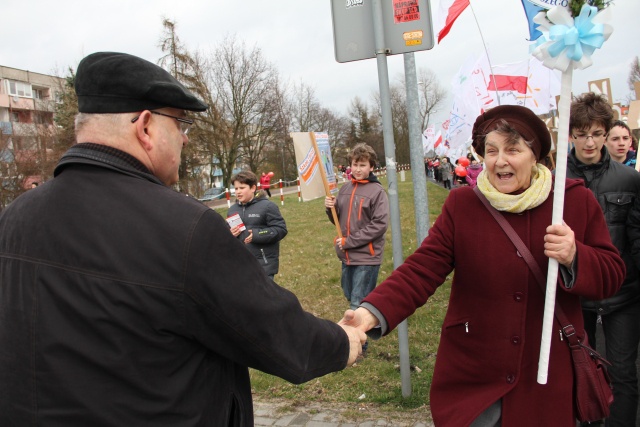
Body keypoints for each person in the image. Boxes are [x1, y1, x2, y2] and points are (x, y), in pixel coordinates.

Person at [0, 51, 365, 427]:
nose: (185, 140)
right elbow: (274, 332)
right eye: (180, 124)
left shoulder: (14, 217)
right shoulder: (186, 228)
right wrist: (344, 341)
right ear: (145, 127)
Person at [340, 105, 625, 426]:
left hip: (545, 381)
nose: (499, 160)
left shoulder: (572, 202)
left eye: (512, 150)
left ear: (535, 156)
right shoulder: (464, 206)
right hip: (475, 381)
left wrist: (575, 256)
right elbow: (420, 270)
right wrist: (370, 313)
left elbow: (612, 275)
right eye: (491, 151)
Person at [566, 93, 640, 427]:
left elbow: (636, 239)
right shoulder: (554, 181)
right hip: (575, 294)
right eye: (582, 133)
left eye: (596, 133)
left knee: (623, 372)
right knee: (580, 372)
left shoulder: (629, 180)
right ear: (571, 135)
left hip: (623, 295)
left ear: (606, 133)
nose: (589, 141)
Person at [324, 143, 389, 318]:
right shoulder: (345, 188)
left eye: (362, 165)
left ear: (372, 167)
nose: (358, 169)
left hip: (367, 256)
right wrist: (331, 208)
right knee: (349, 294)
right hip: (347, 255)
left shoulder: (377, 192)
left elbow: (379, 225)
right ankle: (365, 323)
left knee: (357, 303)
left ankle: (360, 343)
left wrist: (349, 241)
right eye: (355, 164)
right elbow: (337, 220)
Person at [228, 171, 287, 280]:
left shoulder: (268, 206)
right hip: (241, 264)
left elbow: (281, 229)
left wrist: (257, 234)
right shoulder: (232, 210)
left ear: (253, 188)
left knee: (266, 296)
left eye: (242, 188)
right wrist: (230, 234)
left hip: (264, 264)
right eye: (236, 189)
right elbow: (227, 235)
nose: (238, 192)